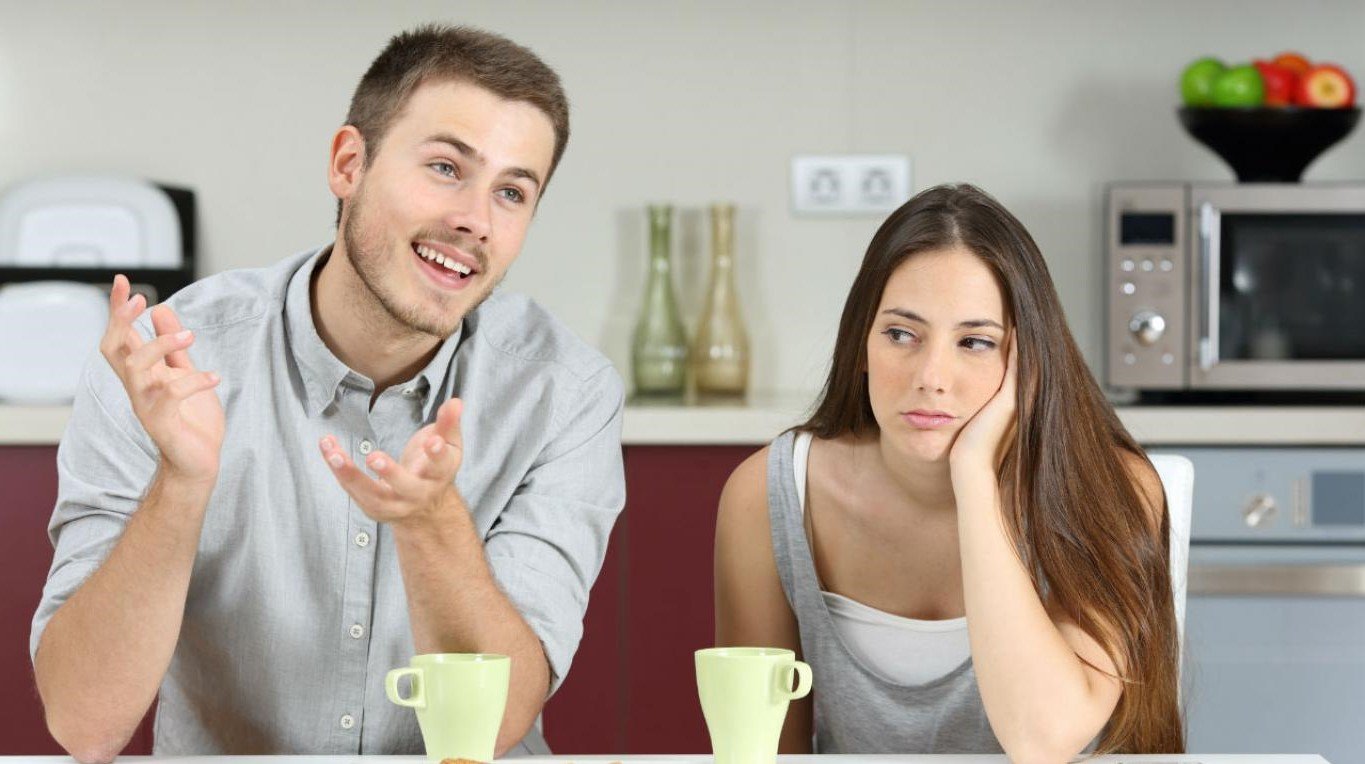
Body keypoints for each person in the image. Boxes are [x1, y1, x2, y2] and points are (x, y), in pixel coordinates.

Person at [31, 24, 625, 764]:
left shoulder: (565, 394)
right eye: (446, 167)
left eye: (511, 191)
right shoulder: (167, 362)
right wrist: (181, 484)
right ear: (349, 163)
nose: (476, 218)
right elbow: (85, 725)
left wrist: (432, 522)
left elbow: (497, 725)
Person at [714, 184, 1183, 761]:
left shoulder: (1112, 488)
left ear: (1029, 362)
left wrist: (974, 478)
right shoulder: (770, 494)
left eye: (975, 342)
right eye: (901, 334)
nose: (931, 375)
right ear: (862, 342)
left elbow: (1043, 739)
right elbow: (760, 754)